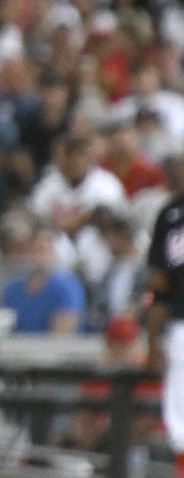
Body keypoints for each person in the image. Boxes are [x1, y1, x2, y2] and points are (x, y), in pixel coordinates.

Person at [148, 154, 184, 477]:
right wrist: (152, 338)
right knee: (181, 421)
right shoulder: (172, 215)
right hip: (181, 325)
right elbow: (158, 283)